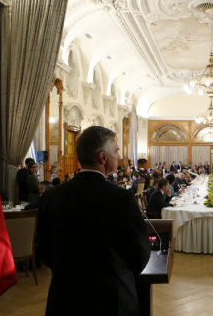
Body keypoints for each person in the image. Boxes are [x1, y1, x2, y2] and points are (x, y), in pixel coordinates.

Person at [38, 126, 150, 316]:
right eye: (116, 151)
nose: (119, 156)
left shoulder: (52, 196)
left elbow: (44, 249)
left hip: (64, 298)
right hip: (111, 299)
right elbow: (139, 254)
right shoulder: (121, 198)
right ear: (102, 157)